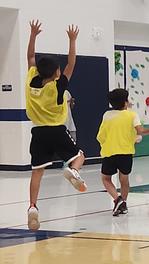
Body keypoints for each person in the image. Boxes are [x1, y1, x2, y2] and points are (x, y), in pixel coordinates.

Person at [25, 20, 85, 230]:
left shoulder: (31, 78)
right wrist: (72, 40)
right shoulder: (58, 86)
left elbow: (31, 57)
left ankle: (33, 207)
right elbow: (72, 63)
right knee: (79, 156)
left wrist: (33, 35)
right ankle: (73, 171)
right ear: (56, 73)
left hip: (38, 132)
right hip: (57, 130)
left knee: (37, 172)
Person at [97, 89, 149, 216]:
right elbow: (140, 130)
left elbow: (100, 136)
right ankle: (123, 202)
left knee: (106, 178)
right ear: (125, 102)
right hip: (126, 152)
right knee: (124, 179)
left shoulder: (106, 115)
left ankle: (117, 199)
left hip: (109, 151)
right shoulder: (132, 115)